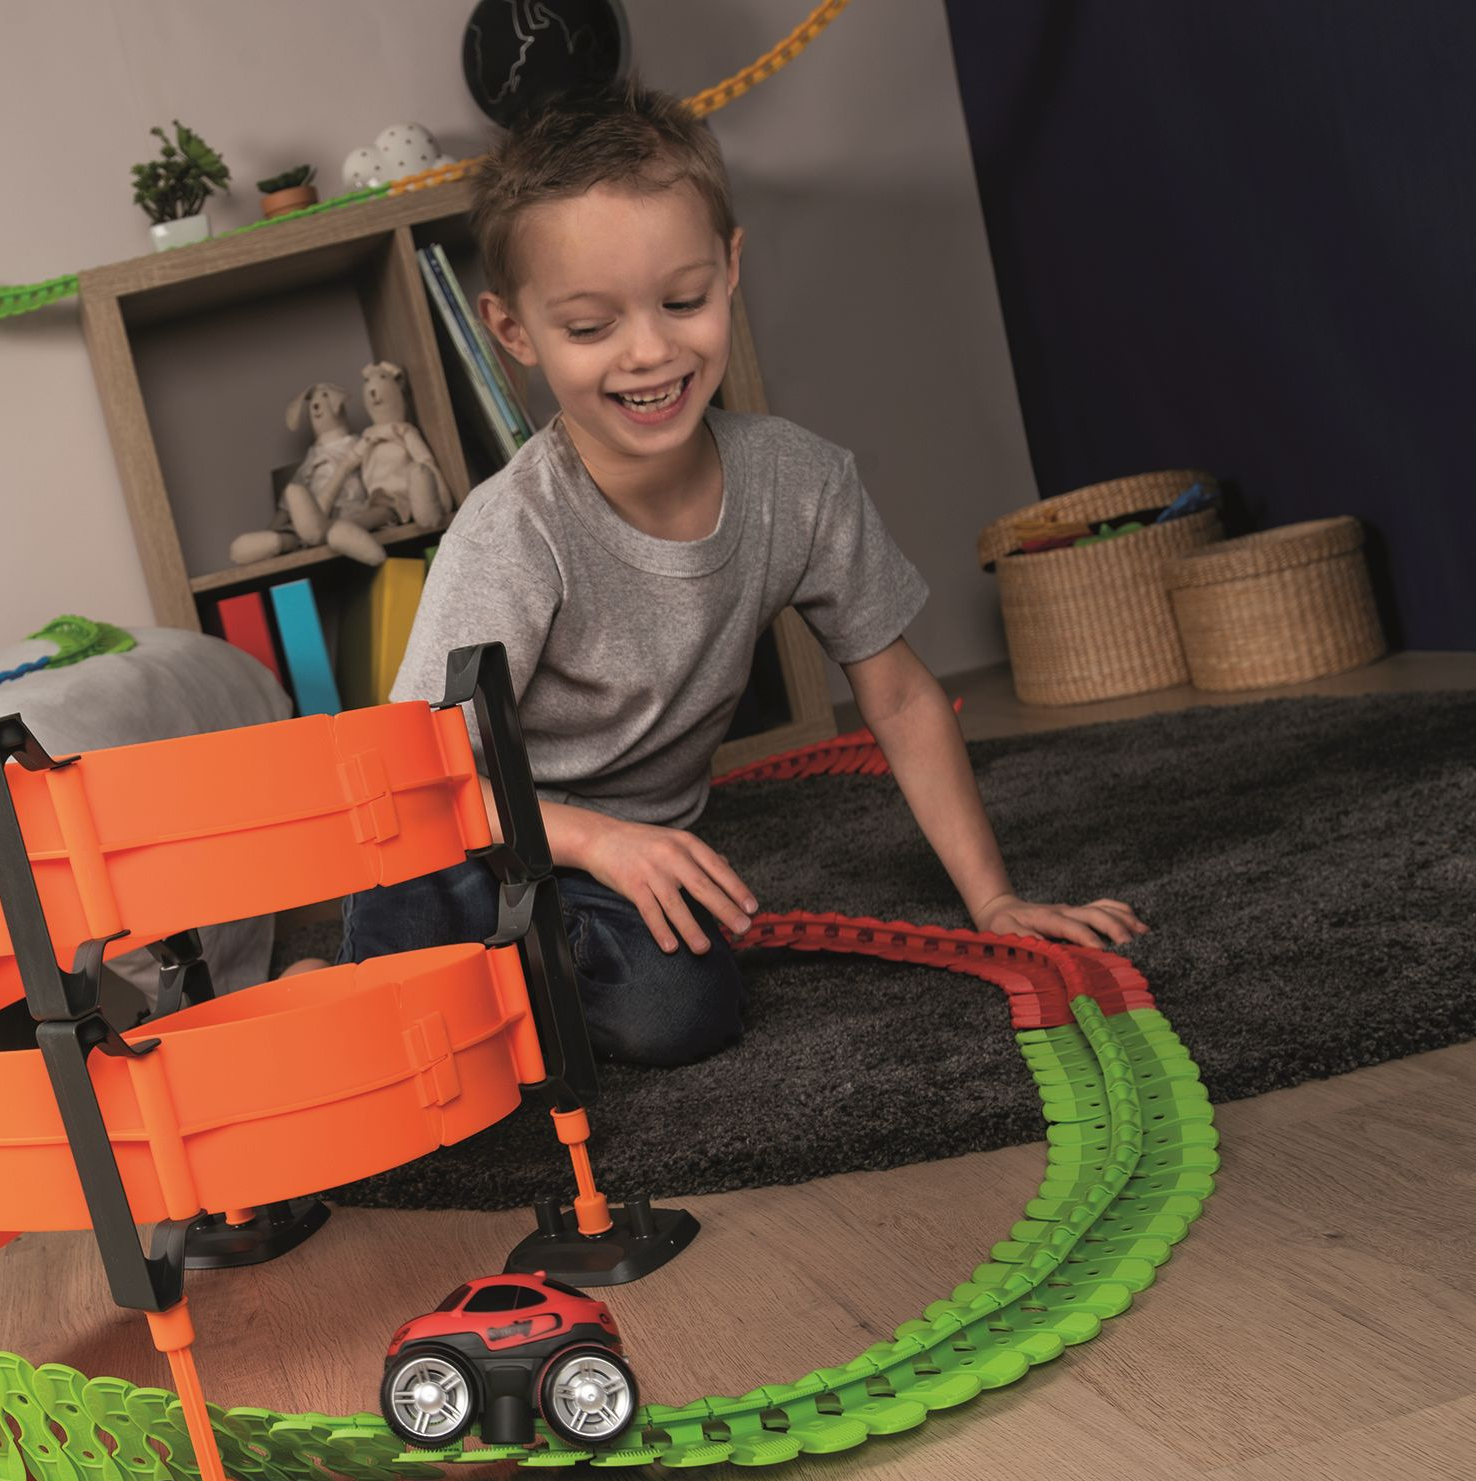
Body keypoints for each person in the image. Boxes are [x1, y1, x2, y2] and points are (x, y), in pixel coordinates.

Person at [288, 80, 1144, 1066]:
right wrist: (597, 839)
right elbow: (416, 785)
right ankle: (354, 987)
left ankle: (490, 995)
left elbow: (903, 697)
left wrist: (994, 901)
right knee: (407, 964)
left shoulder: (801, 484)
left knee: (683, 1012)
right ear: (514, 332)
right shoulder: (511, 532)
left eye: (682, 301)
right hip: (470, 842)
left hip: (615, 874)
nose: (649, 351)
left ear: (730, 270)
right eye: (590, 327)